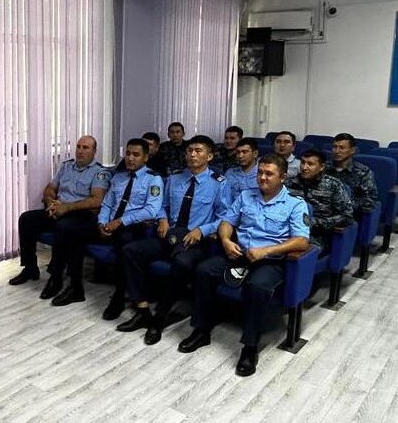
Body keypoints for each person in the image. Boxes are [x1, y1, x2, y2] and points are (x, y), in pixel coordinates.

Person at [179, 153, 309, 377]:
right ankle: (201, 330)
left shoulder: (295, 204)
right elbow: (226, 222)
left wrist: (266, 250)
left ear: (283, 177)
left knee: (257, 287)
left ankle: (250, 347)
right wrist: (225, 240)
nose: (263, 178)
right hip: (238, 253)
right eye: (260, 173)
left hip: (269, 260)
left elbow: (301, 240)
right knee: (203, 270)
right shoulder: (246, 196)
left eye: (269, 174)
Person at [119, 135, 229, 344]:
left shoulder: (219, 183)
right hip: (170, 236)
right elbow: (163, 206)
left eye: (198, 151)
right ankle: (142, 310)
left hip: (195, 242)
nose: (192, 154)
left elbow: (225, 218)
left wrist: (202, 230)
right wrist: (162, 219)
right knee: (131, 250)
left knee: (181, 263)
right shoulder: (175, 178)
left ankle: (159, 317)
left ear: (209, 156)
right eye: (189, 151)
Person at [8, 135, 110, 301]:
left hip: (81, 214)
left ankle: (55, 277)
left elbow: (97, 200)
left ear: (94, 151)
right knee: (26, 219)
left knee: (64, 227)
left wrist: (66, 208)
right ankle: (30, 268)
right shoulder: (66, 166)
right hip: (59, 209)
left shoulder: (100, 173)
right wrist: (51, 203)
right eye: (78, 147)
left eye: (85, 148)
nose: (80, 151)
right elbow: (50, 188)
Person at [89, 138, 164, 318]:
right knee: (74, 229)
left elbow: (151, 210)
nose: (130, 158)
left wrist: (119, 222)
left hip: (133, 227)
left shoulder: (154, 179)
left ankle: (119, 295)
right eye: (128, 154)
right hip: (110, 224)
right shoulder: (118, 177)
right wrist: (101, 223)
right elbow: (107, 204)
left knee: (124, 242)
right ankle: (73, 285)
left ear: (145, 158)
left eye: (136, 155)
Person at [286, 149, 353, 252]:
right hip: (289, 231)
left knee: (294, 251)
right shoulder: (290, 183)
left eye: (310, 164)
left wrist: (316, 222)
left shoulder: (333, 185)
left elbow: (346, 216)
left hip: (318, 235)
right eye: (303, 162)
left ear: (321, 167)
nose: (304, 167)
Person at [325, 133, 379, 216]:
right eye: (335, 147)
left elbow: (370, 200)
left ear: (352, 150)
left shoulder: (363, 172)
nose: (337, 151)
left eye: (342, 148)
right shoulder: (324, 168)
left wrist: (344, 204)